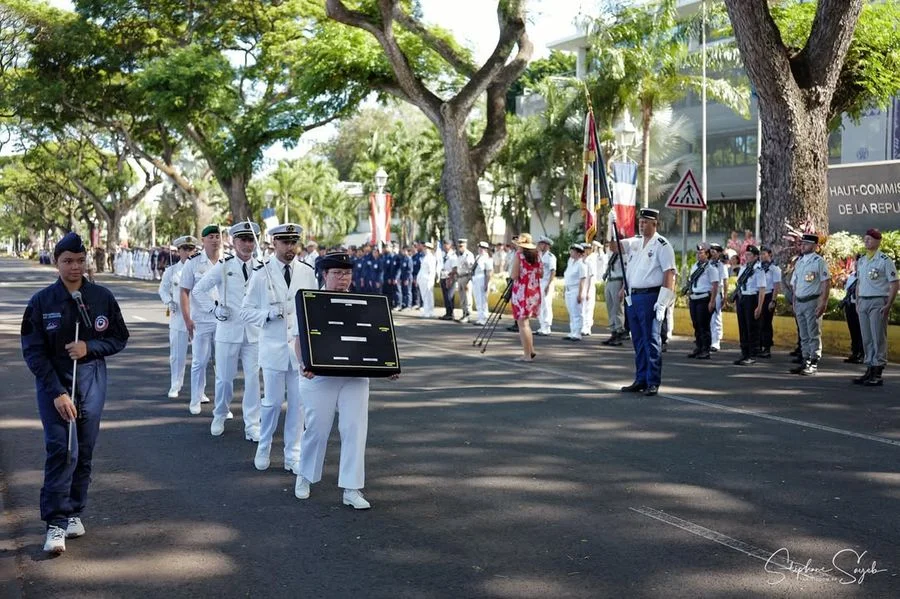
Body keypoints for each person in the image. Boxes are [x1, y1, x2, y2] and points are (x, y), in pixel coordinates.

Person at [21, 232, 129, 555]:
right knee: (61, 450)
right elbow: (32, 351)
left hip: (92, 382)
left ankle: (73, 512)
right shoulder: (41, 303)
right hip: (55, 386)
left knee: (83, 451)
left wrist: (89, 347)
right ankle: (55, 522)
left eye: (80, 261)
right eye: (68, 261)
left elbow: (119, 337)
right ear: (56, 263)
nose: (75, 267)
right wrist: (56, 391)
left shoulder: (101, 297)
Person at [293, 252, 400, 509]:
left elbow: (377, 340)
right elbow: (298, 339)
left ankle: (352, 488)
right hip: (320, 377)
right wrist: (303, 364)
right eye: (337, 274)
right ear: (325, 275)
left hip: (355, 377)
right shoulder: (311, 301)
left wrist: (388, 366)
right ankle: (305, 476)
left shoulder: (363, 301)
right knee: (317, 430)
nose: (343, 279)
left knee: (354, 430)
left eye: (347, 274)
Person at [241, 223, 318, 473]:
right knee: (272, 403)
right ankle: (264, 447)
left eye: (293, 242)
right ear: (273, 243)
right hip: (273, 349)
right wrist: (267, 313)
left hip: (298, 351)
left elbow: (313, 309)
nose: (290, 248)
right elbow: (245, 311)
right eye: (285, 243)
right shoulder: (261, 273)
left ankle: (292, 454)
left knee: (298, 405)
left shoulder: (307, 272)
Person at [192, 222, 263, 440]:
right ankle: (220, 413)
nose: (247, 244)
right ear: (233, 241)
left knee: (253, 379)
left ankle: (252, 424)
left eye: (251, 239)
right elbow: (198, 290)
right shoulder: (223, 266)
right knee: (224, 378)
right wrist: (214, 309)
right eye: (243, 239)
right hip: (228, 330)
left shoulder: (263, 266)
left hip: (253, 332)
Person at [613, 208, 677, 397]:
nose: (641, 225)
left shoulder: (662, 245)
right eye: (640, 222)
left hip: (651, 297)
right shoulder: (635, 242)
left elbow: (669, 273)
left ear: (654, 224)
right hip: (634, 296)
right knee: (638, 340)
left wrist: (664, 301)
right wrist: (611, 225)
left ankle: (652, 381)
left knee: (651, 340)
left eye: (645, 222)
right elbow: (613, 246)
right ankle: (640, 378)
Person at [179, 225, 222, 414]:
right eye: (210, 237)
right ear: (203, 241)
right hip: (201, 320)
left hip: (223, 320)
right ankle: (196, 399)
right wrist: (187, 319)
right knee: (200, 361)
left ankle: (222, 404)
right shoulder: (193, 263)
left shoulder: (227, 261)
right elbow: (184, 291)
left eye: (217, 236)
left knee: (222, 363)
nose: (215, 240)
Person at [852, 229, 899, 386]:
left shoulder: (884, 260)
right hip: (863, 301)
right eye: (865, 239)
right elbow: (859, 283)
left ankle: (878, 370)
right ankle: (869, 367)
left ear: (878, 242)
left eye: (870, 239)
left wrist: (888, 304)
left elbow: (894, 283)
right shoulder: (862, 261)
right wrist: (857, 301)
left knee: (877, 336)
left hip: (878, 300)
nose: (866, 242)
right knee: (866, 337)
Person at [158, 235, 197, 398]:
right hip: (179, 316)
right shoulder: (171, 271)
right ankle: (175, 385)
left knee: (200, 357)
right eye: (185, 249)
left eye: (191, 249)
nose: (188, 252)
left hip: (198, 316)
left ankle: (199, 391)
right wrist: (169, 301)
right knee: (177, 355)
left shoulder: (201, 270)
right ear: (179, 251)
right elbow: (163, 289)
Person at [789, 234, 831, 376]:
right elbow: (795, 284)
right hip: (800, 302)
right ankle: (805, 359)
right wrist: (794, 302)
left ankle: (813, 361)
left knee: (813, 333)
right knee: (803, 334)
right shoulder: (799, 262)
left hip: (812, 301)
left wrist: (823, 302)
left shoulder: (819, 262)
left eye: (806, 244)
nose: (803, 246)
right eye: (802, 244)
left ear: (814, 246)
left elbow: (826, 282)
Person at [509, 233, 542, 360]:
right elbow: (541, 273)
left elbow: (514, 275)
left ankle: (527, 355)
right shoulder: (537, 256)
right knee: (526, 322)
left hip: (522, 291)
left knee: (522, 324)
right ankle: (531, 349)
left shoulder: (519, 256)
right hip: (533, 290)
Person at [731, 245, 766, 366]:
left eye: (749, 255)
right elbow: (739, 285)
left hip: (752, 298)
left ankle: (752, 354)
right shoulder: (744, 268)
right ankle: (744, 353)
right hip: (742, 298)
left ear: (756, 256)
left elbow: (762, 289)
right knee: (743, 327)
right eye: (746, 255)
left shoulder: (758, 269)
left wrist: (759, 306)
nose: (747, 257)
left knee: (752, 327)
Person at [685, 243, 719, 360]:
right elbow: (691, 282)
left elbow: (715, 285)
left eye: (701, 253)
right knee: (696, 325)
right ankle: (699, 347)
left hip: (704, 298)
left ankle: (706, 349)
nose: (698, 255)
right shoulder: (695, 266)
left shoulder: (711, 268)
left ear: (707, 254)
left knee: (704, 325)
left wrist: (712, 301)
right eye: (698, 253)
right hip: (694, 298)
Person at [757, 247, 781, 358]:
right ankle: (759, 345)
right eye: (760, 254)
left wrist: (773, 300)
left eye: (764, 254)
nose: (761, 256)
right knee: (758, 322)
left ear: (769, 254)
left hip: (768, 296)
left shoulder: (774, 269)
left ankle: (766, 348)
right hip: (759, 296)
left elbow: (776, 286)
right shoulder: (758, 267)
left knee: (766, 323)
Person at [602, 240, 627, 346]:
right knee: (610, 308)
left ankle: (619, 332)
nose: (610, 245)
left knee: (617, 309)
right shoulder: (612, 255)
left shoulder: (623, 256)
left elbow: (627, 273)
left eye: (612, 243)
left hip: (618, 281)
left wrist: (623, 289)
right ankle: (613, 331)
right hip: (610, 280)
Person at [842, 254, 864, 364]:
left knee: (861, 331)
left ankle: (862, 354)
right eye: (856, 263)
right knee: (853, 330)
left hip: (860, 306)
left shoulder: (864, 276)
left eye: (859, 263)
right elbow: (848, 291)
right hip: (850, 305)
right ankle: (855, 352)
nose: (856, 265)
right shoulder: (852, 276)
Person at [563, 243, 587, 341]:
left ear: (578, 253)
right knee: (571, 312)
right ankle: (572, 332)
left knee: (577, 312)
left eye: (573, 251)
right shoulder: (570, 262)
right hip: (568, 289)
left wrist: (580, 294)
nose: (571, 252)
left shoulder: (581, 265)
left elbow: (582, 280)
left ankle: (577, 333)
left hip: (576, 289)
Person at [708, 243, 728, 351]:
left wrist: (725, 296)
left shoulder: (721, 265)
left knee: (716, 317)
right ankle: (710, 339)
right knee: (709, 317)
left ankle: (716, 342)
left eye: (714, 251)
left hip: (717, 292)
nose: (712, 253)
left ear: (719, 252)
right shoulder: (708, 264)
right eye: (711, 251)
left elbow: (725, 281)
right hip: (708, 292)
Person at [536, 235, 557, 336]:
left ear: (547, 245)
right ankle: (542, 325)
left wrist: (548, 285)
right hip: (539, 282)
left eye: (541, 244)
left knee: (546, 304)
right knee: (540, 305)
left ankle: (547, 327)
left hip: (546, 282)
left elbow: (553, 271)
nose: (539, 245)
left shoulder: (550, 257)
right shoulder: (539, 255)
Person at [453, 239, 475, 323]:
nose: (460, 248)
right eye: (459, 246)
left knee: (467, 297)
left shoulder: (469, 255)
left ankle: (468, 315)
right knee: (462, 297)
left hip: (466, 277)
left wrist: (469, 279)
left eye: (461, 246)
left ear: (465, 245)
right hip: (460, 277)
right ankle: (463, 313)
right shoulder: (460, 255)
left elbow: (471, 268)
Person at [472, 241, 493, 326]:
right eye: (480, 247)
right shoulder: (478, 257)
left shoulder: (487, 258)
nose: (480, 249)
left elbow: (489, 272)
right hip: (476, 278)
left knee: (482, 299)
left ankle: (484, 318)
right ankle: (480, 317)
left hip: (482, 279)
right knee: (477, 299)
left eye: (483, 248)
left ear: (486, 249)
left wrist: (486, 284)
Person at [581, 241, 599, 337]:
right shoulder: (582, 260)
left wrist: (588, 291)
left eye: (585, 250)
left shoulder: (590, 260)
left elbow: (592, 276)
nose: (583, 251)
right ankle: (582, 326)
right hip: (583, 287)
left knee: (588, 308)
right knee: (582, 308)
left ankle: (587, 328)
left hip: (589, 287)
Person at [417, 242, 438, 318]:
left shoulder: (431, 258)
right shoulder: (424, 257)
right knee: (424, 296)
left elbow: (432, 271)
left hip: (428, 279)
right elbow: (421, 269)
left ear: (430, 249)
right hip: (423, 279)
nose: (424, 249)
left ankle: (429, 311)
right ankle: (427, 310)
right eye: (424, 247)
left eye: (426, 248)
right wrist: (418, 278)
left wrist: (431, 280)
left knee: (428, 296)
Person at [439, 241, 457, 320]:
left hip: (450, 278)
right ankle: (448, 312)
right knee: (446, 296)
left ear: (450, 245)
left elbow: (455, 268)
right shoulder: (443, 254)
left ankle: (450, 313)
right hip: (443, 277)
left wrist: (450, 279)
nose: (445, 245)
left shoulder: (453, 256)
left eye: (447, 244)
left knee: (449, 296)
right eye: (444, 244)